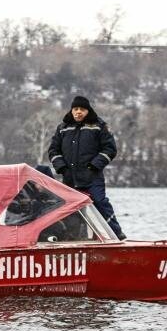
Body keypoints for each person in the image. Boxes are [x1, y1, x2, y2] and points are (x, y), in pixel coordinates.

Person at [48, 95, 126, 240]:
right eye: (75, 109)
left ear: (88, 111)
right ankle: (75, 238)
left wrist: (94, 165)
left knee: (101, 202)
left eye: (82, 109)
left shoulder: (99, 126)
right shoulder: (63, 128)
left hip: (92, 177)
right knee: (71, 209)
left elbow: (110, 149)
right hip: (69, 178)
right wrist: (62, 168)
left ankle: (117, 234)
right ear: (71, 111)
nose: (78, 112)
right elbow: (53, 150)